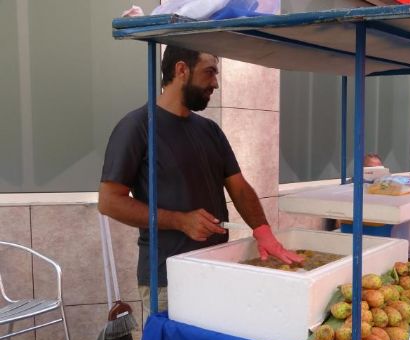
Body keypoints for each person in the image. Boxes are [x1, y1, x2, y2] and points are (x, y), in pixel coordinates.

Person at [98, 46, 303, 316]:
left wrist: (263, 231)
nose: (215, 83)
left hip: (218, 267)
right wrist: (180, 220)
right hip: (169, 277)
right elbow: (109, 202)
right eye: (209, 72)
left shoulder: (210, 130)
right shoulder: (137, 127)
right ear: (181, 70)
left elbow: (239, 187)